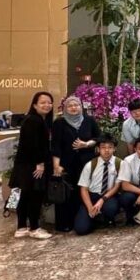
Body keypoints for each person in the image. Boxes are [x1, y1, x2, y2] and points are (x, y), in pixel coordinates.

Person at [51, 95, 100, 232]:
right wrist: (56, 165)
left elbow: (99, 138)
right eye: (70, 106)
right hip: (67, 164)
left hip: (86, 163)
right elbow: (55, 145)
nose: (74, 108)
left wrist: (86, 144)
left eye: (76, 105)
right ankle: (65, 223)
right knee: (67, 193)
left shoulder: (89, 120)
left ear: (81, 106)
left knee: (84, 191)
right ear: (65, 108)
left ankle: (87, 219)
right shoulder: (59, 123)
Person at [11, 91, 55, 240]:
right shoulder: (33, 121)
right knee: (35, 196)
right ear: (35, 105)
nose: (47, 105)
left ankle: (21, 227)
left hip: (26, 165)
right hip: (33, 166)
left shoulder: (37, 120)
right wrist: (40, 163)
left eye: (49, 102)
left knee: (26, 195)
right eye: (43, 102)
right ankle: (34, 228)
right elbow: (33, 145)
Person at [74, 134, 122, 235]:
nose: (107, 150)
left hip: (108, 196)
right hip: (92, 196)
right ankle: (95, 219)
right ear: (98, 149)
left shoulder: (120, 163)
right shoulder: (90, 165)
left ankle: (106, 218)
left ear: (114, 149)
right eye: (103, 147)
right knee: (81, 229)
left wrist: (102, 200)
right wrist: (89, 207)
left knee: (111, 208)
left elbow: (117, 186)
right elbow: (84, 189)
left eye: (110, 147)